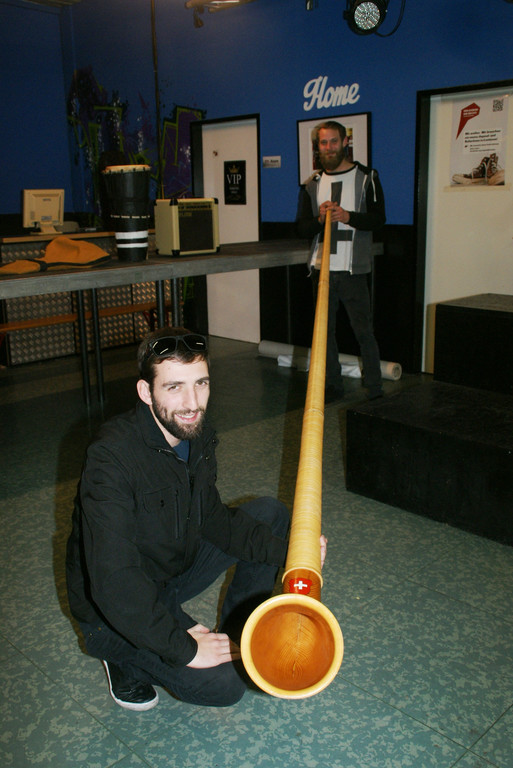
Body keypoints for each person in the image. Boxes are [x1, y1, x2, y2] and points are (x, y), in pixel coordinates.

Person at [66, 327, 293, 710]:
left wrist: (291, 554)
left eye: (200, 383)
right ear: (145, 392)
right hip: (112, 604)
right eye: (174, 388)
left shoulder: (195, 435)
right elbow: (114, 581)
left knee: (270, 516)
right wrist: (186, 649)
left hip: (169, 569)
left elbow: (213, 518)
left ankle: (234, 634)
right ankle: (121, 658)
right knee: (224, 685)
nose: (192, 403)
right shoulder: (111, 459)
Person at [296, 120, 386, 401]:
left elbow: (378, 220)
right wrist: (320, 220)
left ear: (345, 142)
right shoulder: (312, 184)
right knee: (324, 334)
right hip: (322, 269)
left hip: (352, 270)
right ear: (318, 146)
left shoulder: (366, 177)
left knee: (364, 332)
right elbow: (301, 228)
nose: (328, 148)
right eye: (323, 143)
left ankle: (374, 388)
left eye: (333, 141)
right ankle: (332, 385)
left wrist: (348, 217)